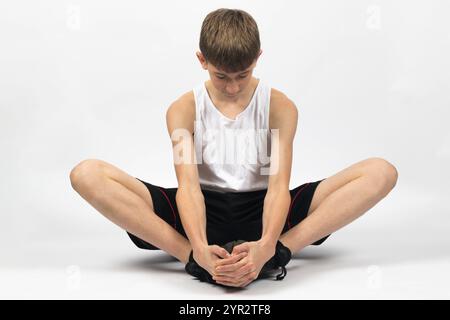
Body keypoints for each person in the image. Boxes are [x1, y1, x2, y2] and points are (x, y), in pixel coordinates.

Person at [69, 8, 398, 288]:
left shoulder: (279, 107)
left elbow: (278, 187)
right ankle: (191, 258)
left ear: (258, 58)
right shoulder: (183, 109)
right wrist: (198, 246)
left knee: (381, 172)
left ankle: (282, 252)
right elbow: (188, 188)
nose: (233, 86)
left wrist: (269, 244)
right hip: (200, 210)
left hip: (264, 208)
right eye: (221, 75)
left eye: (243, 74)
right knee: (87, 174)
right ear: (202, 60)